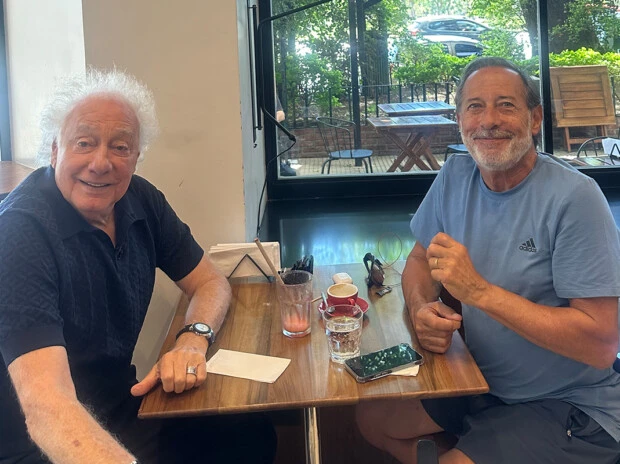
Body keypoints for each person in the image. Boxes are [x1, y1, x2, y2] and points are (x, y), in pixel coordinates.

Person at [0, 69, 276, 463]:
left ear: (136, 157)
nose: (101, 163)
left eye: (120, 147)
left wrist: (193, 339)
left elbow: (210, 281)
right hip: (41, 445)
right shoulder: (18, 233)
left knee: (250, 434)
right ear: (55, 150)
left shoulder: (141, 200)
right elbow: (48, 407)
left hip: (124, 409)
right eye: (84, 143)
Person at [356, 57, 620, 464]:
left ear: (535, 119)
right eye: (475, 106)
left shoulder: (575, 198)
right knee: (371, 419)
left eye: (506, 105)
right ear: (459, 119)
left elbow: (601, 344)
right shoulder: (455, 175)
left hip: (569, 402)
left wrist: (479, 292)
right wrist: (421, 308)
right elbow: (420, 259)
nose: (489, 120)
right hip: (479, 380)